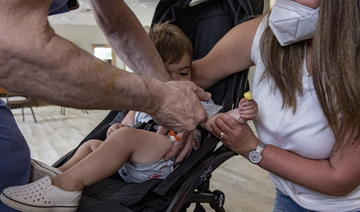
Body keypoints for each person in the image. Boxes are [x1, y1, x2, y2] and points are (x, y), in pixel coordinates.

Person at [0, 22, 258, 212]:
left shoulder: (195, 98)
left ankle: (65, 187)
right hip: (132, 163)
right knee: (93, 144)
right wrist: (116, 130)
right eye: (165, 74)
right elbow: (124, 125)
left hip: (167, 158)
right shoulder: (145, 100)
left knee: (125, 138)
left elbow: (215, 118)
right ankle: (57, 176)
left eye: (183, 73)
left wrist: (238, 113)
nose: (176, 82)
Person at [190, 0, 360, 211]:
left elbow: (339, 180)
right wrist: (203, 114)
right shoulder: (262, 33)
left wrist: (252, 147)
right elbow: (192, 76)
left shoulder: (353, 69)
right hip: (288, 193)